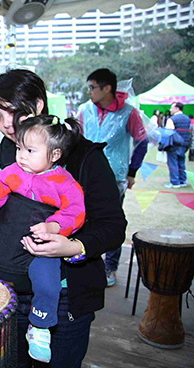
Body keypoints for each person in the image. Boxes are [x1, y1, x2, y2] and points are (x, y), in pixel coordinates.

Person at [0, 69, 126, 367]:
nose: (7, 125)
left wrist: (73, 247)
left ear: (37, 106)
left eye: (15, 113)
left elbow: (113, 226)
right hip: (1, 294)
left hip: (64, 299)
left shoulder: (82, 157)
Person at [0, 114, 85, 363]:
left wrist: (54, 227)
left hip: (39, 243)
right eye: (20, 148)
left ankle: (40, 326)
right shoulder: (11, 172)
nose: (21, 155)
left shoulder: (65, 183)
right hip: (3, 231)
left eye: (30, 150)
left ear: (54, 155)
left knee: (48, 282)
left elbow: (76, 213)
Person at [77, 68, 147, 287]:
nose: (89, 92)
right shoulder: (84, 110)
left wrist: (132, 172)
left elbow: (142, 141)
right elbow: (76, 140)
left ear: (107, 88)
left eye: (92, 87)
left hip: (115, 177)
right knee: (83, 220)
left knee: (112, 222)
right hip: (85, 175)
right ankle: (86, 263)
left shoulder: (129, 112)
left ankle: (110, 267)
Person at [164, 102, 191, 187]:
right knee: (181, 163)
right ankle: (182, 180)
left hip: (174, 144)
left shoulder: (172, 119)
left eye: (172, 107)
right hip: (184, 144)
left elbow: (168, 132)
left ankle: (175, 182)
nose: (170, 109)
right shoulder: (187, 119)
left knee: (173, 163)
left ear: (177, 108)